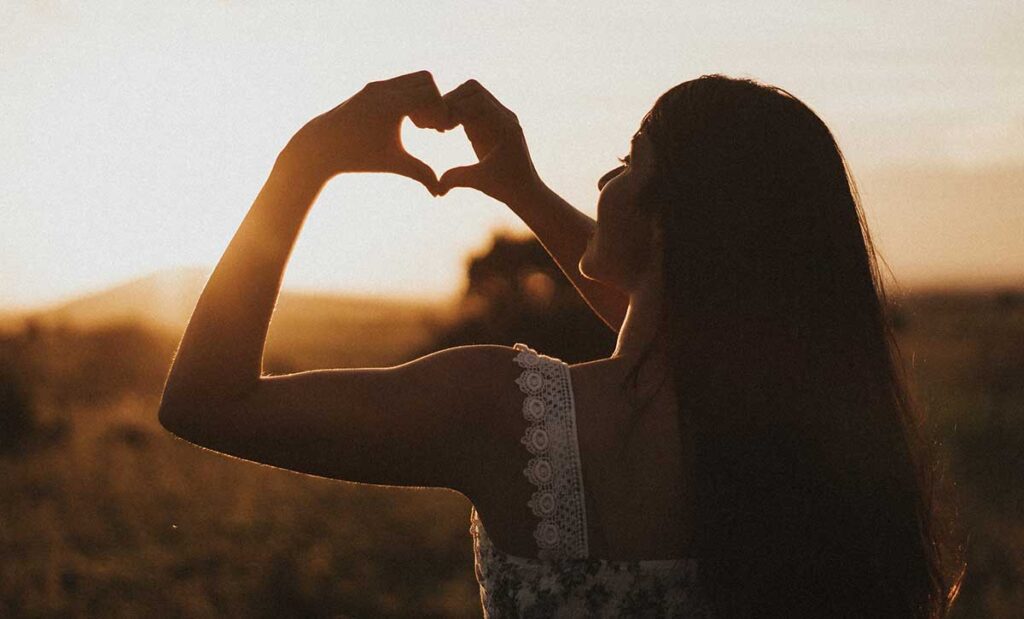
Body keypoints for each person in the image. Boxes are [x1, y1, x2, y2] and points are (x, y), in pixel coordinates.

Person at [158, 71, 963, 617]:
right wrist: (522, 187)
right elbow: (674, 322)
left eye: (626, 162)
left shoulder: (512, 419)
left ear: (670, 217)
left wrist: (309, 157)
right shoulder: (817, 447)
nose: (604, 183)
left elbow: (207, 400)